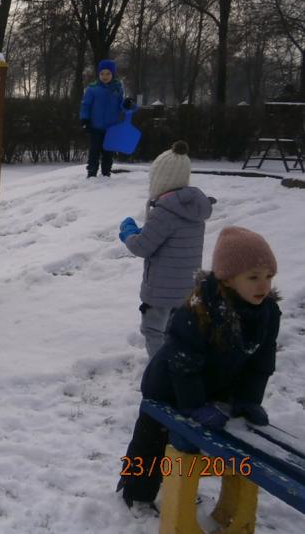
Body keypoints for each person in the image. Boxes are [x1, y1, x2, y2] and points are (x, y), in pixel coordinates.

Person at [117, 226, 280, 509]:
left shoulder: (268, 313)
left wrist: (248, 400)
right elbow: (184, 364)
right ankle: (135, 493)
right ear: (228, 279)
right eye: (253, 277)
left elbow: (260, 363)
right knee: (151, 442)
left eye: (269, 276)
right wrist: (193, 405)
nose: (263, 286)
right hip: (168, 386)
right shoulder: (200, 310)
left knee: (187, 445)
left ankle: (178, 488)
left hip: (212, 387)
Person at [118, 141, 215, 357]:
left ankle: (159, 370)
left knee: (153, 330)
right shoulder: (192, 209)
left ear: (161, 179)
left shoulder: (165, 211)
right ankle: (176, 362)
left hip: (161, 290)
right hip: (186, 288)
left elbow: (142, 246)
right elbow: (170, 238)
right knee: (174, 329)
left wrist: (128, 232)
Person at [80, 59, 132, 178]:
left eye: (108, 73)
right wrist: (84, 119)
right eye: (102, 73)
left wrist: (126, 104)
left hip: (111, 128)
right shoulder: (92, 89)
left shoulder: (117, 89)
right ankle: (91, 173)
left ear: (112, 74)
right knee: (94, 151)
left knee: (108, 152)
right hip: (95, 127)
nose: (105, 76)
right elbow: (85, 105)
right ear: (98, 74)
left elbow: (120, 106)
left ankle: (106, 173)